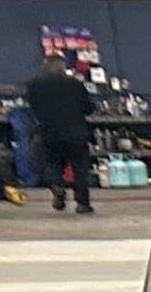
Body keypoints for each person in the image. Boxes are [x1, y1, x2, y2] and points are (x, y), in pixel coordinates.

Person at [22, 54, 98, 214]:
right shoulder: (74, 83)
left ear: (45, 65)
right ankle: (83, 203)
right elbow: (89, 108)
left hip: (49, 132)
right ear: (62, 66)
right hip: (76, 132)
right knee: (80, 168)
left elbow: (32, 108)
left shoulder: (33, 85)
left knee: (52, 163)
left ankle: (57, 186)